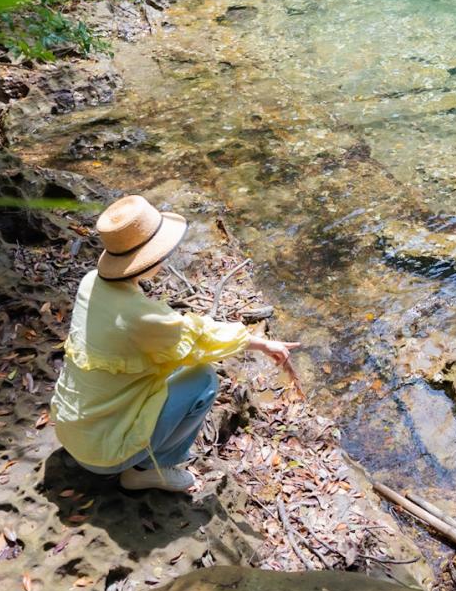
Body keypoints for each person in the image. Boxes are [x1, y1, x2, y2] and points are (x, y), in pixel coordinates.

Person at [50, 195, 299, 493]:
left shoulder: (90, 282)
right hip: (103, 456)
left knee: (166, 367)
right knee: (203, 378)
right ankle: (147, 470)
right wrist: (259, 343)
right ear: (149, 259)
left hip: (70, 430)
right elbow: (199, 338)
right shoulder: (142, 316)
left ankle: (141, 453)